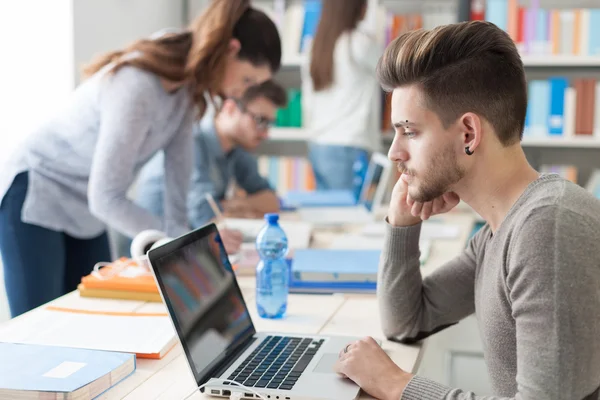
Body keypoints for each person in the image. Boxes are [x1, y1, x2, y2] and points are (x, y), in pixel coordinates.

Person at [334, 21, 600, 400]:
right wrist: (402, 224)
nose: (394, 152)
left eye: (409, 131)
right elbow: (407, 322)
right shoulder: (500, 231)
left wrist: (398, 385)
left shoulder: (548, 228)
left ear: (468, 135)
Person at [0, 0, 281, 318]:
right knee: (38, 328)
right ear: (231, 49)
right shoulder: (137, 85)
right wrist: (178, 244)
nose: (237, 93)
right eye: (246, 80)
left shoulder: (186, 93)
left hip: (87, 208)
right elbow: (106, 197)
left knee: (89, 322)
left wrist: (188, 244)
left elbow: (178, 196)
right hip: (37, 191)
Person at [124, 80, 287, 253]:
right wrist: (240, 207)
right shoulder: (192, 142)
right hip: (153, 251)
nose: (265, 132)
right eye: (260, 120)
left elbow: (271, 202)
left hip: (188, 248)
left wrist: (235, 204)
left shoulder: (236, 150)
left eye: (269, 123)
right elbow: (207, 220)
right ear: (230, 108)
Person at [301, 0, 383, 191]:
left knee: (330, 215)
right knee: (351, 217)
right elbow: (394, 73)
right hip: (349, 144)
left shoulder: (315, 46)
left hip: (318, 144)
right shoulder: (360, 42)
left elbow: (308, 102)